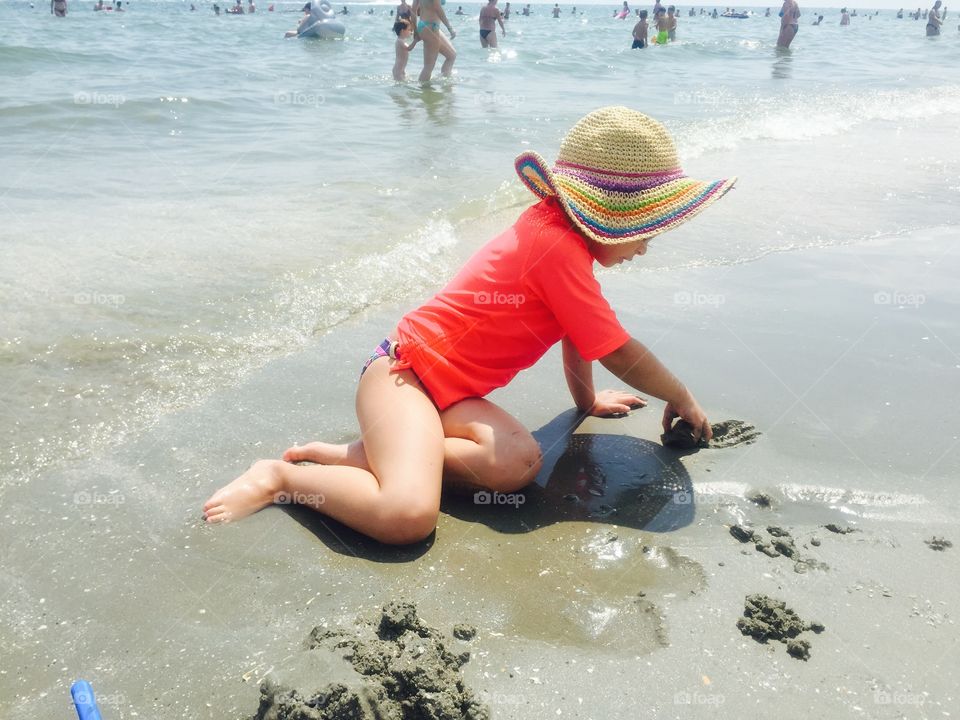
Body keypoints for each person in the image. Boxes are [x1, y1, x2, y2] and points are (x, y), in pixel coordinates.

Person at [202, 107, 733, 543]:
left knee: (517, 467)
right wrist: (682, 395)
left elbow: (580, 335)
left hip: (449, 399)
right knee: (406, 518)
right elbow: (617, 349)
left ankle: (362, 456)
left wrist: (586, 403)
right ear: (611, 216)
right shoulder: (555, 248)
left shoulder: (558, 236)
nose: (647, 245)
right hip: (403, 377)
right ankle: (281, 478)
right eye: (647, 229)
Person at [412, 0, 456, 82]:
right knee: (428, 67)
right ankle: (423, 92)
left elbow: (413, 10)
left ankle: (445, 86)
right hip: (431, 27)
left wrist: (415, 29)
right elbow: (438, 8)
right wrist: (450, 28)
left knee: (451, 55)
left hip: (425, 26)